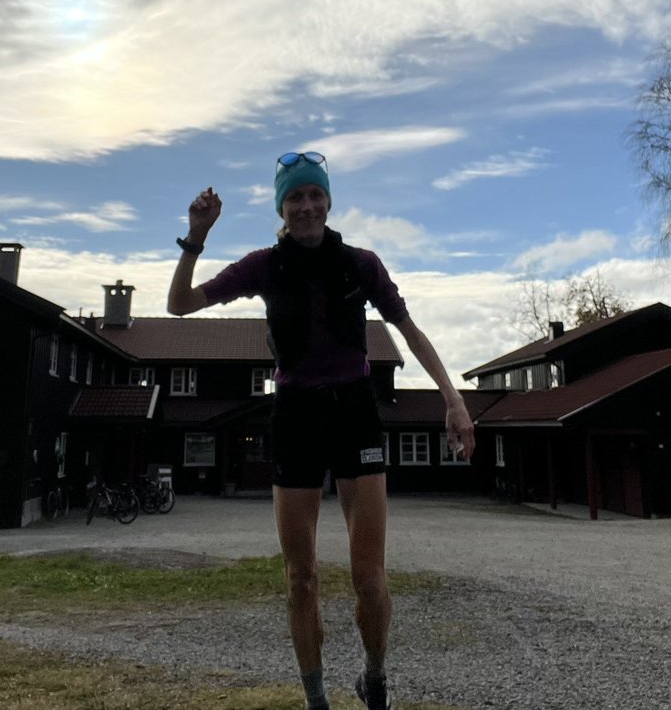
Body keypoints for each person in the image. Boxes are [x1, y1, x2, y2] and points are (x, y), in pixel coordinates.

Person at [168, 152, 476, 710]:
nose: (306, 206)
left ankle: (375, 678)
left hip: (355, 410)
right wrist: (196, 237)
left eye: (315, 195)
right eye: (295, 198)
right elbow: (179, 304)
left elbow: (409, 331)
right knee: (301, 579)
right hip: (294, 414)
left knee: (369, 577)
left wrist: (453, 400)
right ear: (282, 207)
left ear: (328, 201)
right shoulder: (264, 265)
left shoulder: (361, 264)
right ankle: (316, 700)